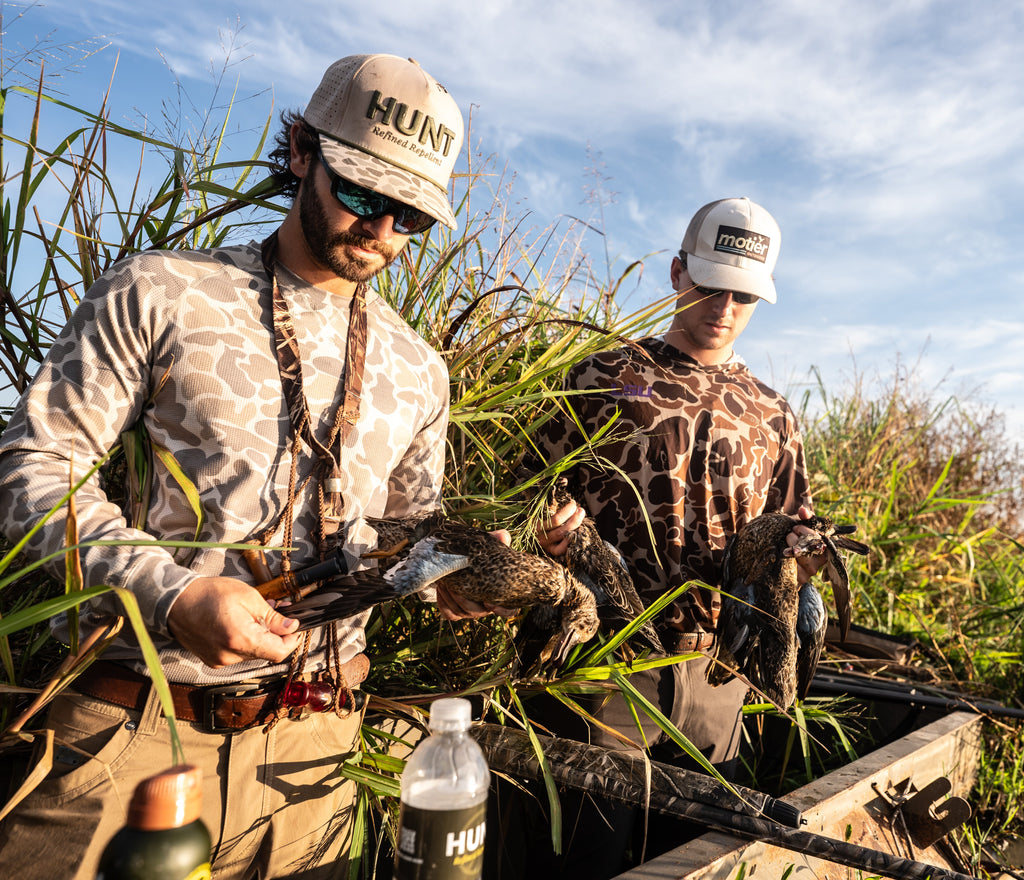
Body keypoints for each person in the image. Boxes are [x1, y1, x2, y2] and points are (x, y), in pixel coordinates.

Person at [0, 54, 501, 880]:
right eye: (365, 194)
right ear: (302, 150)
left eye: (409, 215)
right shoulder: (163, 290)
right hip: (138, 736)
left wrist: (464, 578)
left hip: (314, 765)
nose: (381, 233)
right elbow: (34, 465)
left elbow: (409, 541)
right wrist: (171, 593)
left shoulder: (422, 370)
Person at [491, 197, 824, 878]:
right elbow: (517, 491)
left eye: (743, 295)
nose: (724, 308)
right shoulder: (601, 378)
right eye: (709, 286)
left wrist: (802, 559)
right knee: (586, 856)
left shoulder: (774, 414)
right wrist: (550, 531)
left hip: (718, 674)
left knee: (694, 861)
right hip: (605, 664)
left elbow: (798, 528)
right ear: (677, 272)